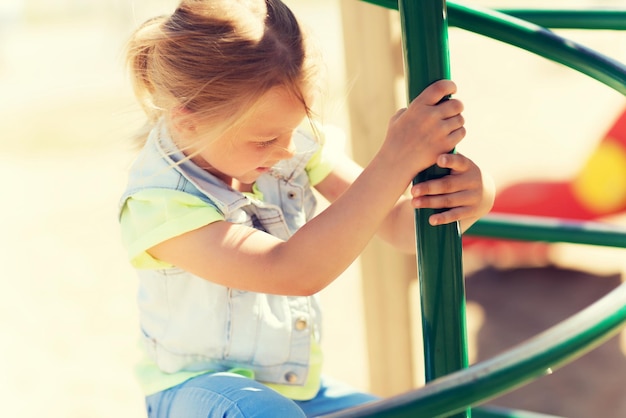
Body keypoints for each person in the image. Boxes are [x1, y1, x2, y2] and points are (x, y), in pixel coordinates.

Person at [118, 0, 495, 416]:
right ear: (186, 120)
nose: (287, 149)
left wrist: (473, 198)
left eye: (294, 128)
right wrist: (394, 161)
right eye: (264, 140)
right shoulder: (161, 202)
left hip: (296, 393)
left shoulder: (288, 147)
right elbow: (290, 269)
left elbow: (398, 226)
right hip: (195, 394)